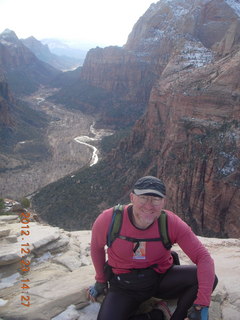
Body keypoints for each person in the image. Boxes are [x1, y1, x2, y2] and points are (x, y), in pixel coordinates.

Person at [87, 176, 218, 320]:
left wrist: (202, 304)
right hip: (124, 285)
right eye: (143, 197)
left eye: (156, 199)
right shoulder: (109, 220)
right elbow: (96, 248)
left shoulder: (170, 223)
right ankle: (157, 315)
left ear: (163, 202)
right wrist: (101, 280)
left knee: (207, 278)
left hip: (161, 278)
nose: (149, 206)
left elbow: (203, 257)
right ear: (132, 197)